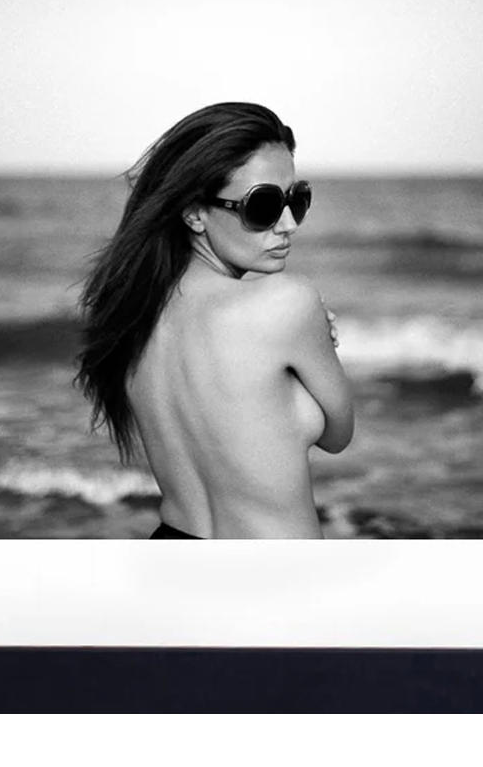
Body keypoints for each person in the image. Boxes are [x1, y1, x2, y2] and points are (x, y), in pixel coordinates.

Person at [74, 102, 354, 539]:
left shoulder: (133, 317)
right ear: (194, 213)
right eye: (262, 205)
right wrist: (319, 342)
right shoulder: (288, 303)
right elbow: (338, 435)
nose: (288, 224)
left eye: (296, 199)